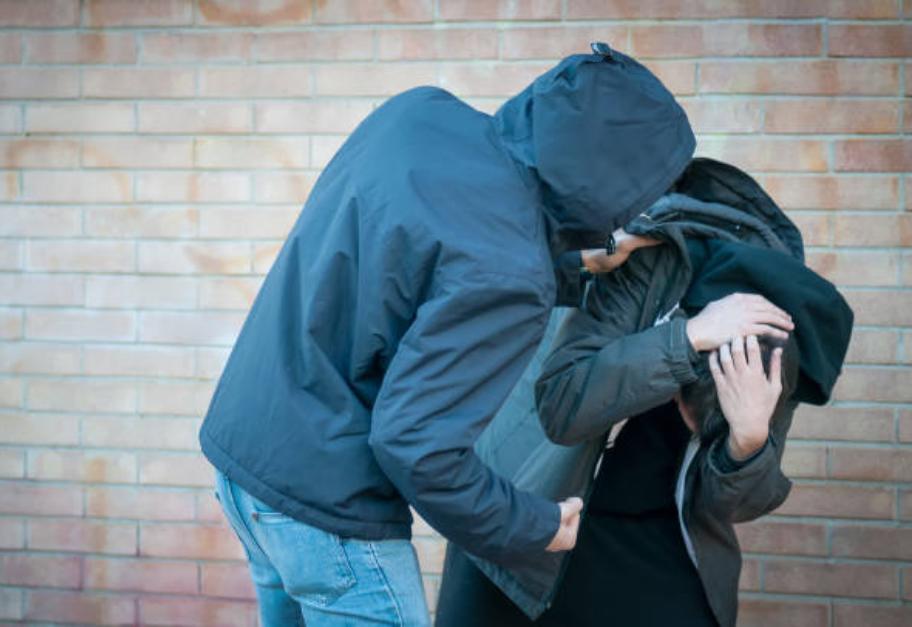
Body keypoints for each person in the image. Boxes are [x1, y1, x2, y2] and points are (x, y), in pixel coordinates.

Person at [199, 42, 701, 626]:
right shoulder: (511, 272)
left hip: (245, 465)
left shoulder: (417, 113)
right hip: (327, 515)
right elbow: (415, 446)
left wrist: (575, 265)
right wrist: (536, 526)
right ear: (620, 178)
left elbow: (425, 260)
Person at [435, 160, 853, 627]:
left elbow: (736, 505)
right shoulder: (633, 259)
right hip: (529, 518)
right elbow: (564, 408)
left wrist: (748, 443)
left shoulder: (771, 329)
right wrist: (688, 338)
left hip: (658, 548)